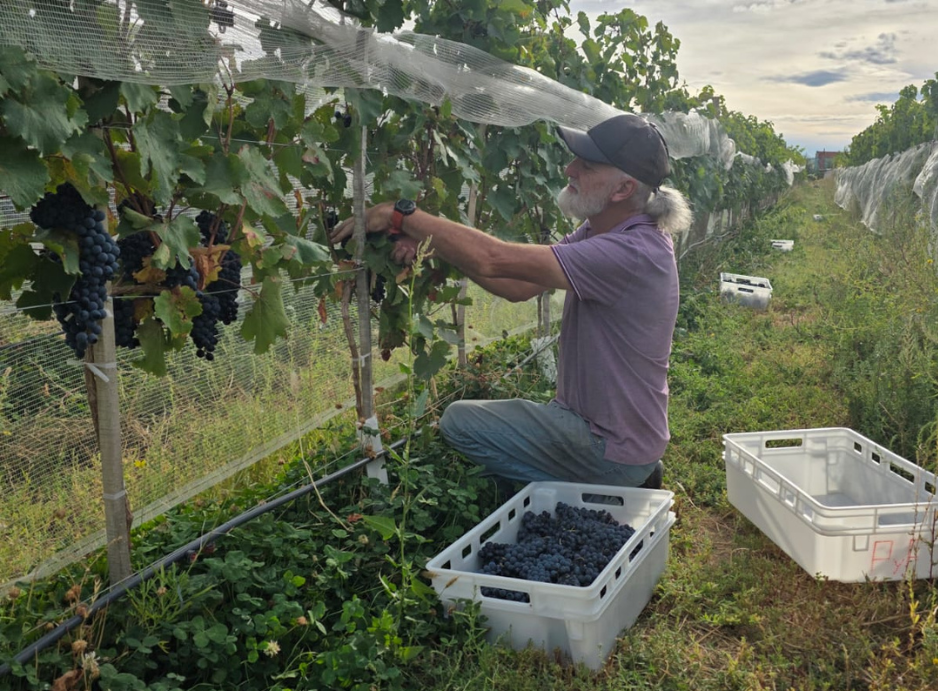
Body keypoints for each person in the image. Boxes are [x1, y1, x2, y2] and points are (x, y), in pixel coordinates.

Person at [330, 112, 692, 490]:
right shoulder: (603, 230)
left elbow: (493, 258)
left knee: (458, 423)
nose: (569, 169)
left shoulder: (629, 252)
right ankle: (622, 477)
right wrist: (433, 249)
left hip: (606, 443)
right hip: (617, 433)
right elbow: (516, 286)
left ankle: (597, 489)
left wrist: (400, 215)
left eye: (585, 165)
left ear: (622, 190)